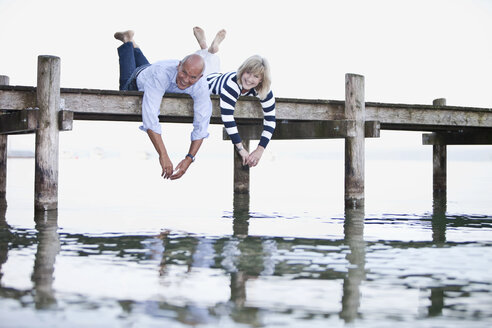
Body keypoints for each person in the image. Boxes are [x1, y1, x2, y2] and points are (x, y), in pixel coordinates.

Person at [114, 30, 212, 180]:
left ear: (200, 77)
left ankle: (134, 43)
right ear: (178, 66)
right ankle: (128, 41)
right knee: (124, 90)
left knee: (150, 68)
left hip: (151, 70)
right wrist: (163, 155)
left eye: (192, 77)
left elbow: (202, 125)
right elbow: (150, 117)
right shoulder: (162, 73)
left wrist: (189, 158)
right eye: (184, 73)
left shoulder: (201, 86)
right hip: (140, 78)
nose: (186, 80)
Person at [193, 27, 276, 168]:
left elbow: (270, 121)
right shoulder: (233, 84)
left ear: (262, 80)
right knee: (199, 65)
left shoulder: (265, 91)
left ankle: (207, 48)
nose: (249, 79)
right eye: (248, 73)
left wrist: (260, 150)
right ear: (243, 70)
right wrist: (241, 149)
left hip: (217, 76)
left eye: (256, 76)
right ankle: (205, 47)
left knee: (211, 62)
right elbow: (227, 117)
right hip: (205, 82)